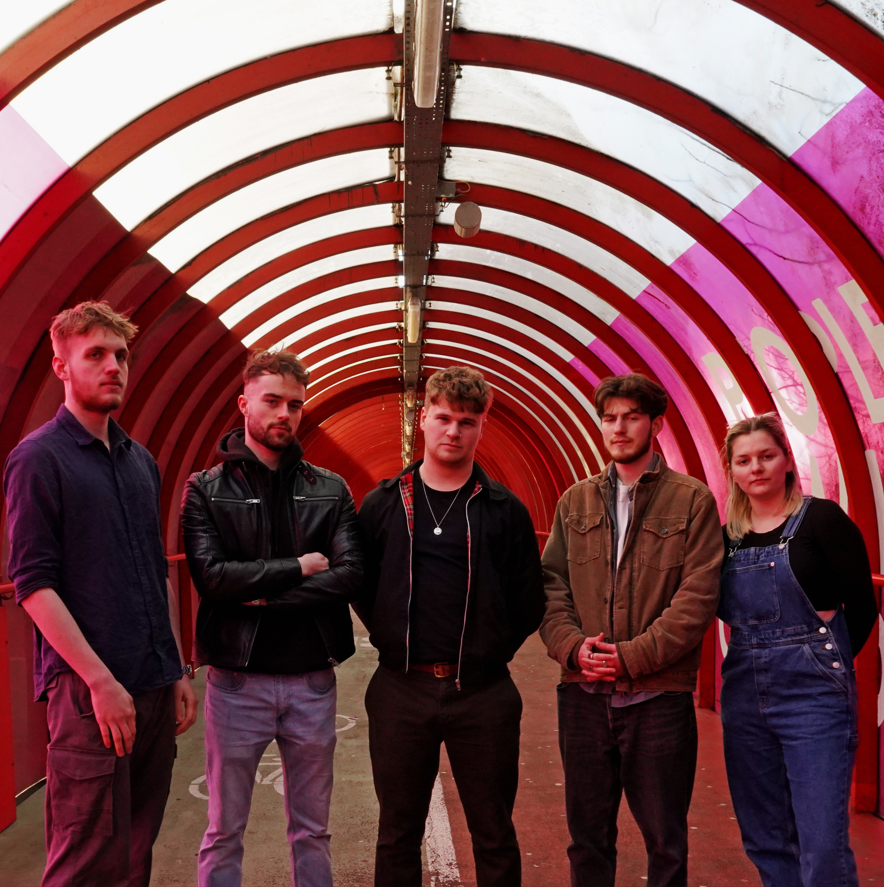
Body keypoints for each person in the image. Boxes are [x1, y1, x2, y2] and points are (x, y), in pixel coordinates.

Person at [3, 301, 198, 887]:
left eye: (121, 355)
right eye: (96, 355)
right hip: (90, 696)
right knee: (85, 862)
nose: (113, 366)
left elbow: (155, 570)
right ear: (63, 366)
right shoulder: (39, 458)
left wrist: (178, 669)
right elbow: (33, 585)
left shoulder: (142, 461)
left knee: (137, 855)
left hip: (154, 685)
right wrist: (100, 681)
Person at [358, 365, 545, 887]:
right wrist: (392, 637)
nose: (453, 431)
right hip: (401, 688)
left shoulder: (505, 510)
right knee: (397, 832)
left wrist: (489, 650)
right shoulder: (382, 504)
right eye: (443, 418)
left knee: (493, 831)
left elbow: (529, 599)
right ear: (422, 419)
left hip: (482, 694)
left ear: (482, 425)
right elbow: (361, 585)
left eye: (467, 421)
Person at [181, 348, 362, 887]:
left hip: (312, 682)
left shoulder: (329, 487)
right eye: (273, 401)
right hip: (236, 685)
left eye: (296, 405)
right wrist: (299, 568)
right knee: (223, 828)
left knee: (312, 829)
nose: (285, 414)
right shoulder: (205, 489)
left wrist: (262, 595)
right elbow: (213, 579)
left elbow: (351, 575)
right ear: (243, 404)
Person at [540, 372, 722, 887]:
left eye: (632, 417)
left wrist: (633, 656)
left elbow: (698, 597)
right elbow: (551, 585)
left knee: (665, 841)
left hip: (658, 697)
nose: (619, 428)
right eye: (610, 418)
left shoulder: (692, 501)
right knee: (587, 838)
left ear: (657, 425)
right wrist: (573, 648)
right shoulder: (574, 502)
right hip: (583, 694)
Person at [718, 413, 877, 887]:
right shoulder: (726, 537)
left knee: (823, 843)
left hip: (814, 694)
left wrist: (824, 663)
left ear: (786, 460)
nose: (756, 468)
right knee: (765, 835)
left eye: (767, 456)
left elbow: (863, 607)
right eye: (744, 461)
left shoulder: (822, 519)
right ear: (732, 470)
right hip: (744, 691)